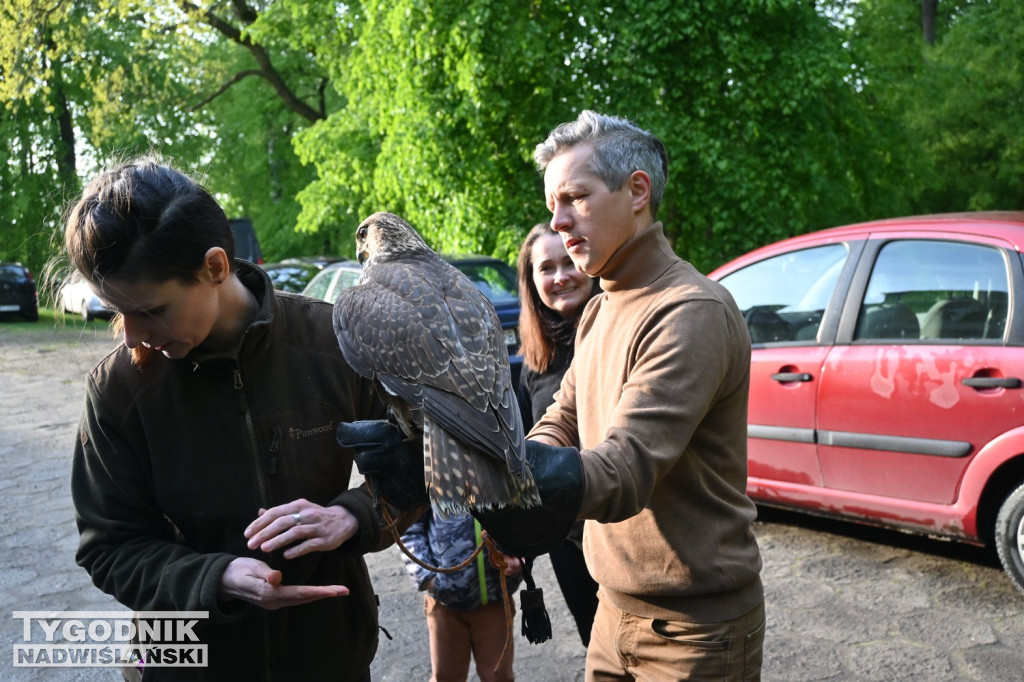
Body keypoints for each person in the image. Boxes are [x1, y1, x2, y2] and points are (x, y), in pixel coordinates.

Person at [343, 110, 765, 681]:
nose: (559, 221)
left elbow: (624, 469)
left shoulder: (690, 312)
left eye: (575, 198)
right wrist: (472, 468)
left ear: (637, 191)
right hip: (613, 614)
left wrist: (493, 479)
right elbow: (557, 425)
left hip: (692, 630)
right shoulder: (601, 307)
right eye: (552, 207)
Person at [66, 157, 420, 681]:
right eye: (116, 312)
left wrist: (353, 516)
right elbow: (109, 546)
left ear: (214, 266)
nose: (131, 336)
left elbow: (419, 465)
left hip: (328, 655)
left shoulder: (335, 343)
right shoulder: (118, 388)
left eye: (149, 310)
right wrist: (217, 578)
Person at [515, 223, 600, 647]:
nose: (560, 276)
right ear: (532, 283)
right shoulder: (532, 364)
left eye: (568, 262)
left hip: (624, 525)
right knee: (598, 645)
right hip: (568, 538)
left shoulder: (617, 336)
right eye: (546, 268)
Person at [399, 510, 523, 682]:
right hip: (444, 604)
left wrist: (520, 557)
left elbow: (529, 522)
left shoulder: (506, 481)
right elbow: (409, 527)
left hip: (495, 600)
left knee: (498, 676)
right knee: (446, 676)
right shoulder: (429, 482)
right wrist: (428, 578)